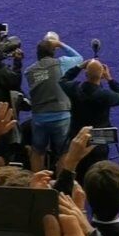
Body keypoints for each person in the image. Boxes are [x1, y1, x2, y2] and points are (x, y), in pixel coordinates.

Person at [60, 59, 119, 183]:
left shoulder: (74, 89)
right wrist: (110, 79)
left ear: (86, 74)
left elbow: (63, 80)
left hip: (78, 137)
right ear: (101, 76)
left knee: (77, 173)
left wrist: (80, 66)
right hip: (98, 139)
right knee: (98, 174)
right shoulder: (105, 95)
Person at [24, 34, 84, 173]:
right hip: (61, 116)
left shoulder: (29, 71)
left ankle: (38, 186)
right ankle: (62, 185)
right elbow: (79, 58)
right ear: (54, 51)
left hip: (39, 117)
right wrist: (60, 43)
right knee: (64, 153)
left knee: (38, 152)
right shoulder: (61, 63)